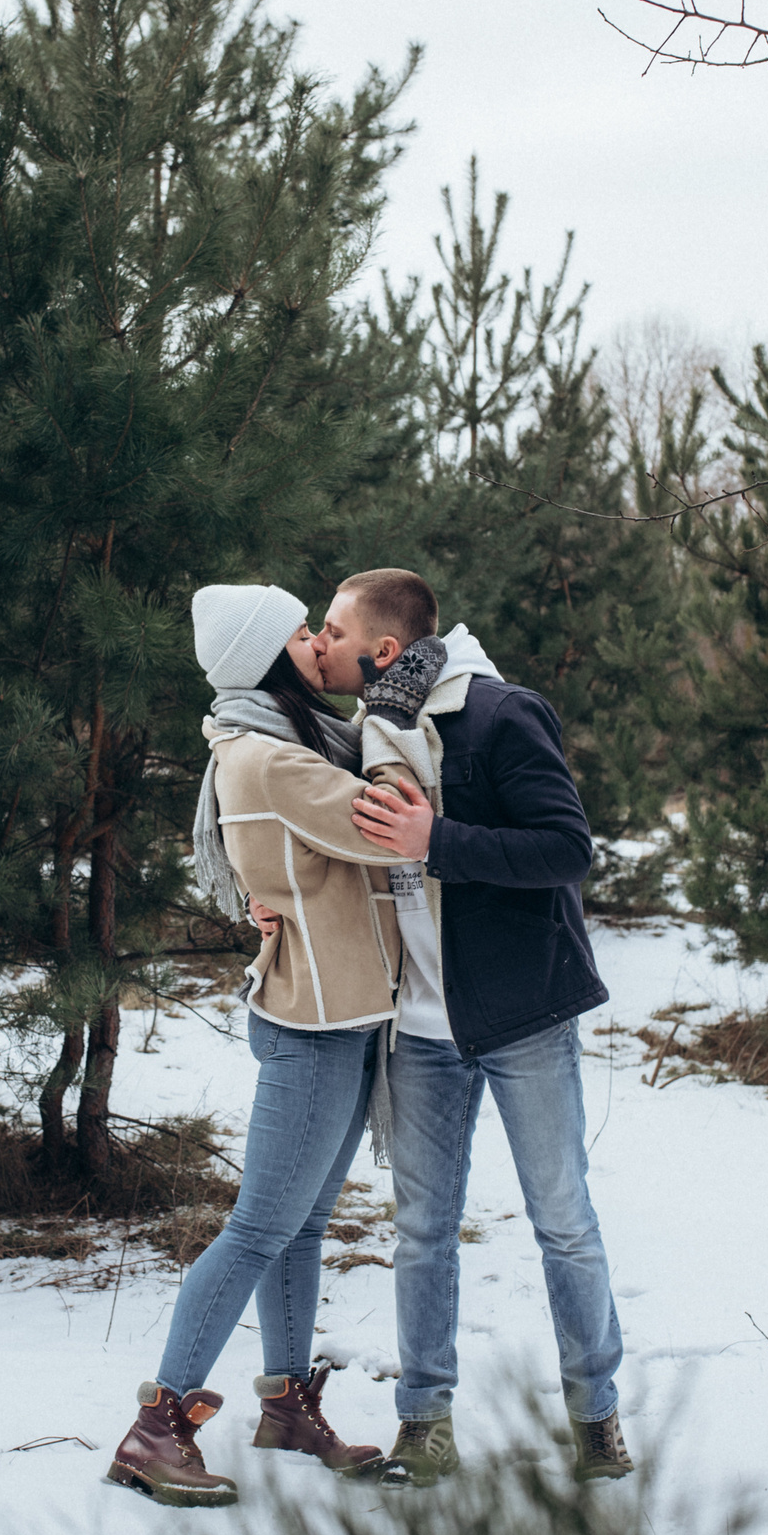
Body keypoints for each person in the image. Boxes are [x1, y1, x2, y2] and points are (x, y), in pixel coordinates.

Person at [313, 566, 636, 1486]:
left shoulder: (499, 713)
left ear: (383, 650)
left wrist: (436, 843)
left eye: (333, 628)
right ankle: (424, 1420)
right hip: (416, 1027)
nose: (320, 641)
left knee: (562, 1219)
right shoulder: (363, 733)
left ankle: (596, 1413)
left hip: (521, 1015)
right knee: (421, 1229)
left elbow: (568, 849)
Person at [105, 582, 415, 1508]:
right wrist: (402, 720)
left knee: (300, 1228)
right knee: (257, 1230)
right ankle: (156, 1426)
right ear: (267, 657)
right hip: (313, 1027)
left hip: (341, 1012)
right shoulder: (270, 759)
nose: (321, 644)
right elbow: (387, 820)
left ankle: (287, 1404)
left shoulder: (285, 742)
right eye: (302, 633)